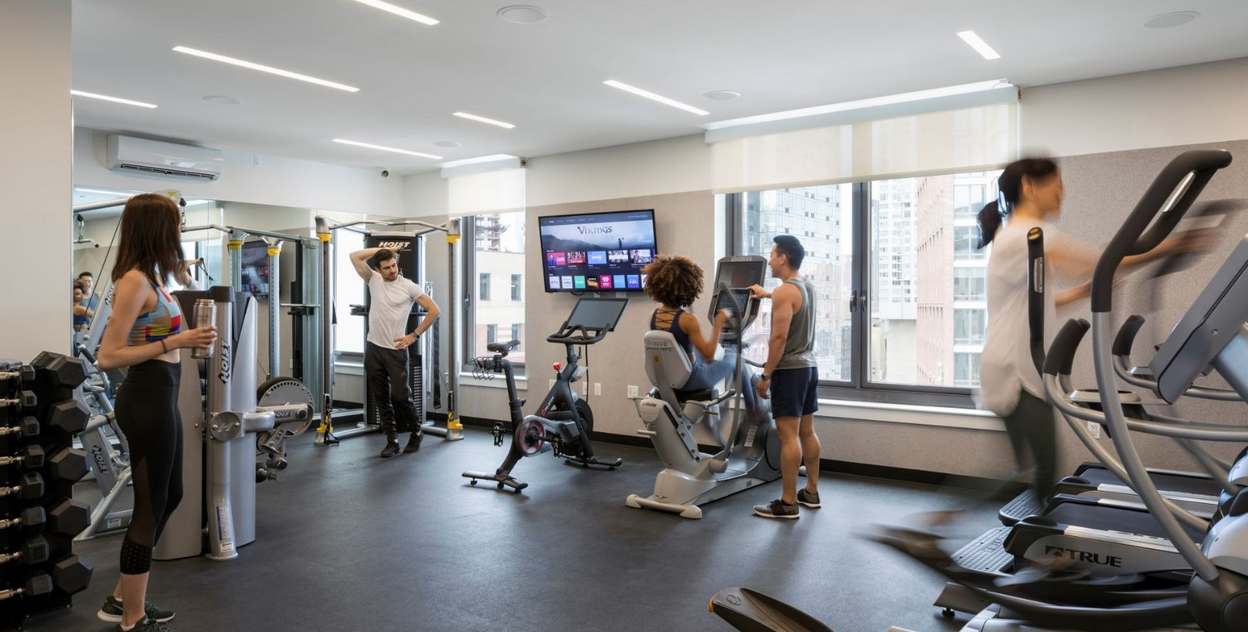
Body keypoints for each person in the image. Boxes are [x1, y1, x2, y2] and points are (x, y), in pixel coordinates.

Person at [95, 194, 217, 632]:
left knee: (173, 495)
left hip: (162, 395)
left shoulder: (154, 278)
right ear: (158, 230)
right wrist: (176, 342)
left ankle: (120, 598)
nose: (180, 231)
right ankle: (132, 617)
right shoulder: (133, 281)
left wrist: (181, 278)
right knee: (149, 508)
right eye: (176, 225)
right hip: (145, 397)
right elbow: (107, 356)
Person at [748, 235, 822, 520]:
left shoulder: (784, 293)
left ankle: (788, 503)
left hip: (789, 371)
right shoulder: (807, 287)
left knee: (788, 436)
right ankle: (811, 492)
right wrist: (767, 294)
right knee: (807, 432)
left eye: (772, 254)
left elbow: (778, 339)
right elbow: (792, 301)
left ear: (784, 257)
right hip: (809, 367)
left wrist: (766, 374)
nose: (769, 260)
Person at [351, 247, 441, 458]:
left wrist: (414, 335)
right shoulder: (373, 279)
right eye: (387, 267)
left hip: (395, 350)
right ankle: (392, 441)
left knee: (400, 396)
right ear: (378, 269)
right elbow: (354, 256)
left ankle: (416, 432)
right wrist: (385, 249)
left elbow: (434, 310)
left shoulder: (408, 286)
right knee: (381, 397)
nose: (392, 270)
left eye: (394, 265)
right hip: (374, 348)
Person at [641, 255, 734, 392]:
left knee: (697, 352)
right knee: (734, 358)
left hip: (669, 381)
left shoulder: (653, 317)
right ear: (689, 287)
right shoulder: (688, 320)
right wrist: (718, 322)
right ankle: (755, 400)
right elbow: (709, 356)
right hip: (693, 380)